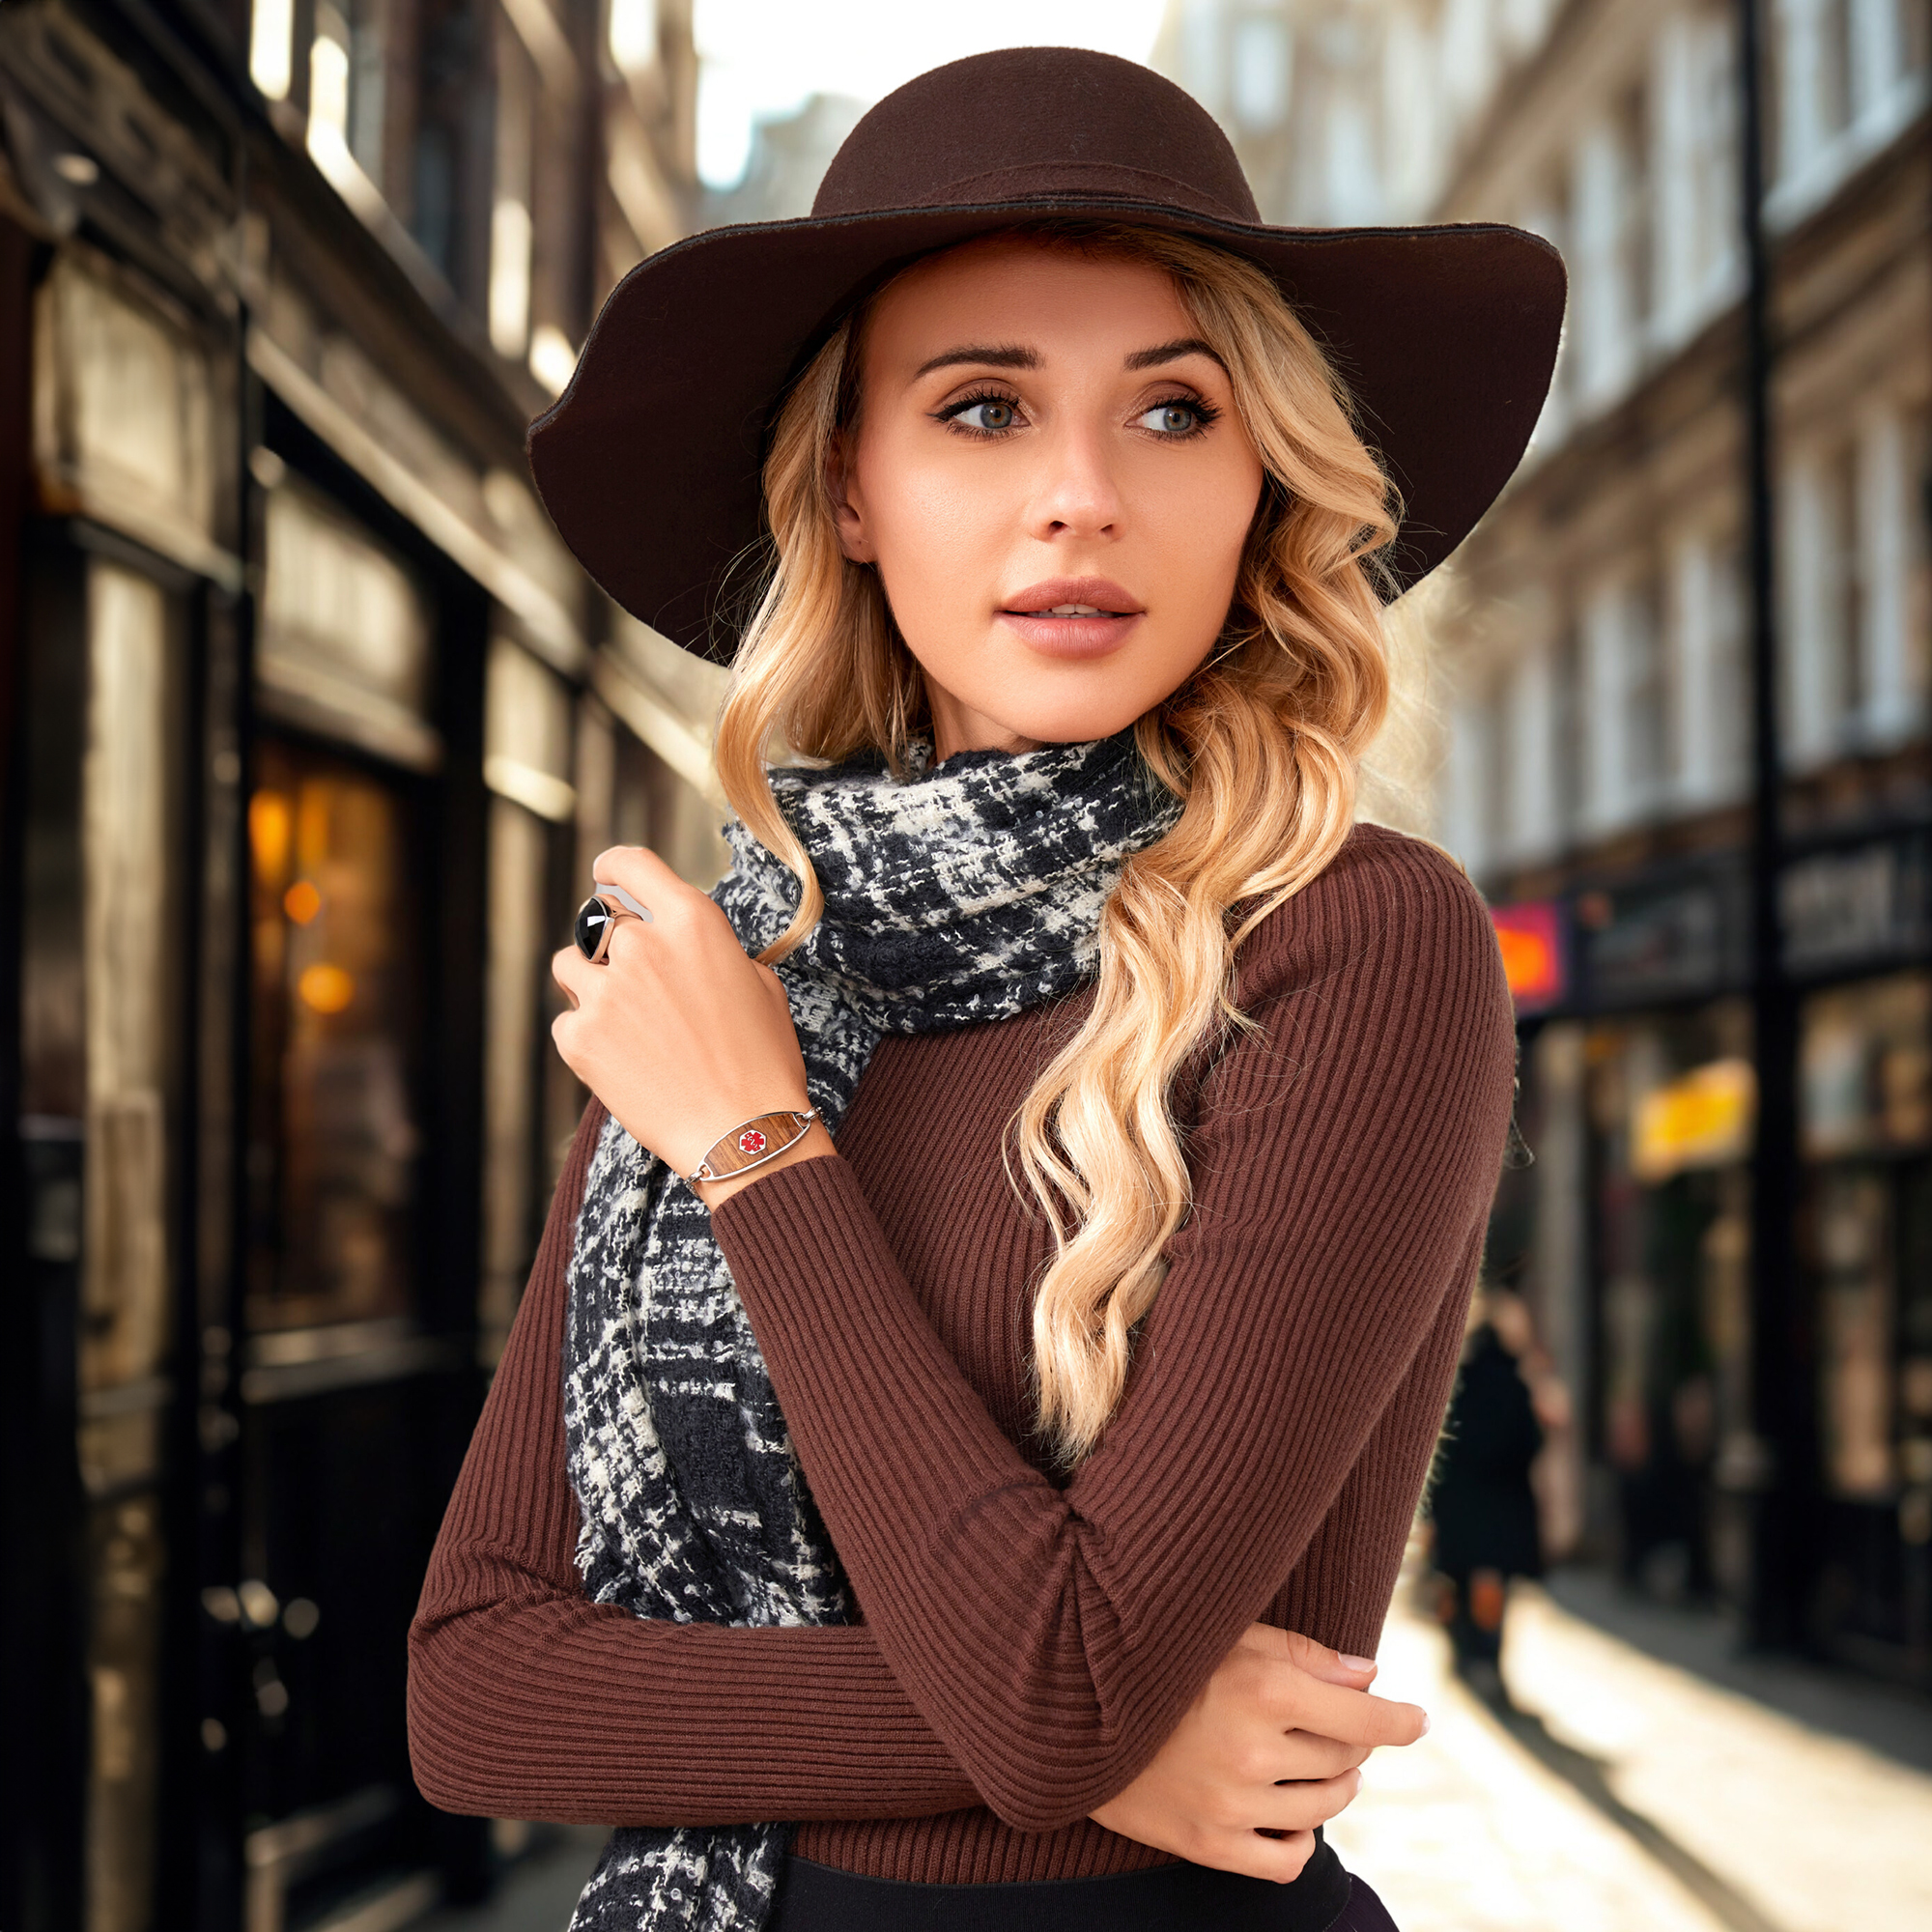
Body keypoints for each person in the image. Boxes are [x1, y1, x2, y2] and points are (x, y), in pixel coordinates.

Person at [407, 47, 1561, 1932]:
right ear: (850, 488)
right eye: (981, 410)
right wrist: (1126, 1737)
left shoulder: (1352, 943)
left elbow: (1059, 1692)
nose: (1081, 499)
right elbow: (478, 1694)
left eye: (1174, 413)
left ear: (1268, 480)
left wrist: (761, 1148)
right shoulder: (751, 968)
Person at [1426, 1293, 1548, 1699]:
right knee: (1492, 1586)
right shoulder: (1515, 1386)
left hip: (1460, 1506)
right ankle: (1487, 1656)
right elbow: (1528, 1445)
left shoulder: (1455, 1386)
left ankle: (1463, 1652)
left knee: (1457, 1581)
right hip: (1501, 1507)